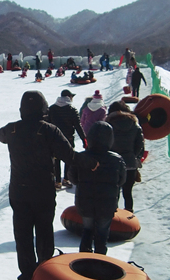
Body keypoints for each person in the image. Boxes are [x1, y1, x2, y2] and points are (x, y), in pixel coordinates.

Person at [0, 91, 78, 280]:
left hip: (19, 192)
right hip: (43, 191)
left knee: (23, 236)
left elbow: (0, 135)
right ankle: (44, 277)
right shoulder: (49, 130)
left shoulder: (12, 129)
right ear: (43, 108)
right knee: (44, 232)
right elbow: (69, 155)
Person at [67, 120, 126, 255]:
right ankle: (100, 259)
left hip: (85, 200)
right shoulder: (117, 159)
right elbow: (121, 180)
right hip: (107, 202)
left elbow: (72, 177)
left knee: (87, 230)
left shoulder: (81, 157)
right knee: (102, 232)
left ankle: (84, 256)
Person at [106, 100, 145, 212]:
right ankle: (129, 215)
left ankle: (114, 215)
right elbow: (140, 144)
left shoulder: (108, 124)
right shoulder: (134, 124)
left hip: (112, 163)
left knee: (114, 191)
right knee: (128, 192)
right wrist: (133, 156)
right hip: (130, 163)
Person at [48, 89, 87, 188]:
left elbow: (47, 124)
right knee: (69, 159)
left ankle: (57, 181)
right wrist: (84, 139)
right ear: (69, 97)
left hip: (54, 138)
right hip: (68, 138)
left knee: (56, 160)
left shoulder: (52, 109)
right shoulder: (72, 109)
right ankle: (66, 179)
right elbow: (78, 126)